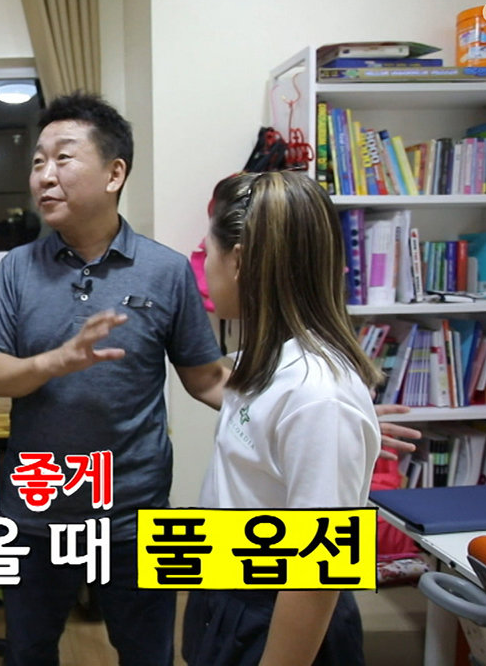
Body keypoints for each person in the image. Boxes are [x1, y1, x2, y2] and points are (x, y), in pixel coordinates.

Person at [0, 93, 418, 666]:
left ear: (114, 173)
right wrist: (55, 361)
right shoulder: (17, 267)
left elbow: (210, 379)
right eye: (37, 161)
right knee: (27, 651)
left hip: (135, 515)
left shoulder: (165, 272)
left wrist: (324, 422)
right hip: (35, 512)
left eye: (62, 157)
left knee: (148, 653)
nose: (44, 174)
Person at [184, 170, 382, 666]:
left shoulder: (320, 397)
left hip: (274, 612)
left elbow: (317, 575)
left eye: (207, 251)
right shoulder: (269, 361)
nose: (203, 264)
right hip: (228, 581)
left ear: (239, 261)